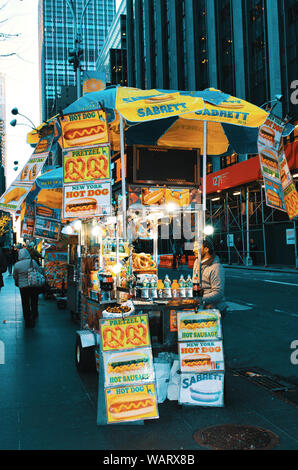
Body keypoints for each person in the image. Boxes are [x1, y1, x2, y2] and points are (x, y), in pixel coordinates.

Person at [193, 237, 227, 316]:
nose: (193, 250)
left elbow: (218, 293)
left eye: (196, 247)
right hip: (199, 304)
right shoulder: (197, 262)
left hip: (214, 308)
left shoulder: (216, 268)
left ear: (206, 249)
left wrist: (200, 299)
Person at [13, 248, 43, 328]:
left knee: (25, 302)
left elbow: (15, 276)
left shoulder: (17, 265)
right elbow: (39, 271)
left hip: (23, 287)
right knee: (34, 300)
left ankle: (27, 318)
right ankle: (34, 314)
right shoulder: (32, 262)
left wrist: (17, 282)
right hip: (33, 285)